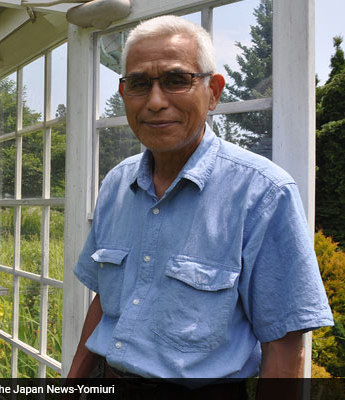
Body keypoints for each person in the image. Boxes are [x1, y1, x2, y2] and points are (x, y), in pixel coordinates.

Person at [68, 15, 333, 390]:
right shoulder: (117, 184)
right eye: (140, 84)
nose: (156, 102)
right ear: (125, 94)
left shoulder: (263, 192)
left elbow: (286, 347)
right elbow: (106, 302)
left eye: (177, 80)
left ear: (214, 92)